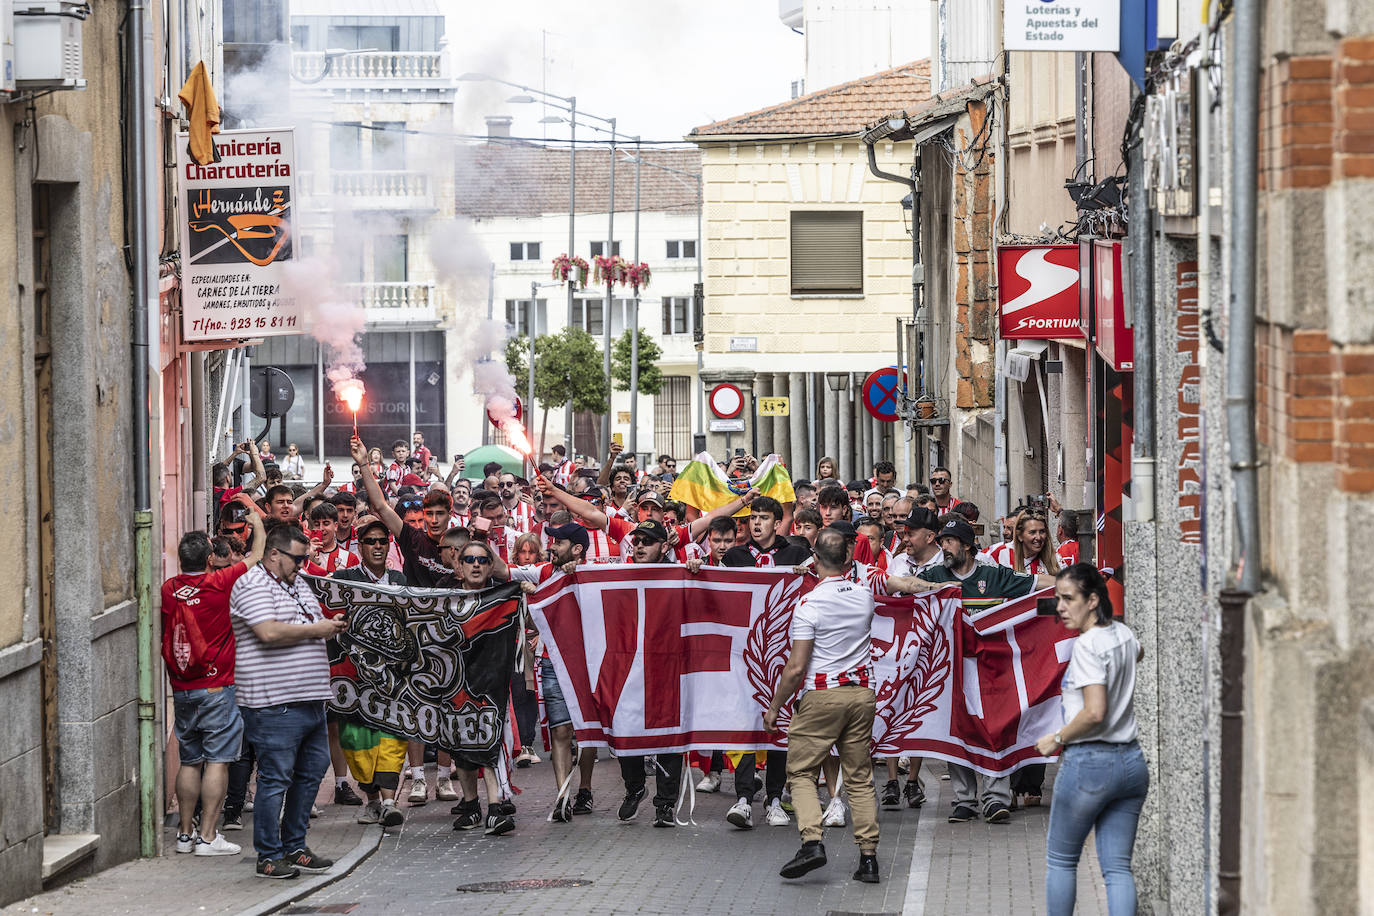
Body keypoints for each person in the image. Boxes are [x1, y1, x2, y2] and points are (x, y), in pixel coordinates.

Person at [907, 516, 1055, 824]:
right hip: (953, 671)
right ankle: (964, 800)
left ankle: (995, 799)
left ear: (966, 546)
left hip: (993, 672)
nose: (943, 547)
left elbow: (1035, 586)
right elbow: (906, 593)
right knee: (959, 732)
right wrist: (934, 587)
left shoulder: (994, 575)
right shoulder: (934, 574)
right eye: (942, 542)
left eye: (948, 542)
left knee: (994, 732)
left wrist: (1073, 582)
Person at [230, 525, 347, 879]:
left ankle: (295, 846)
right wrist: (318, 630)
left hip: (310, 700)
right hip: (273, 702)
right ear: (274, 554)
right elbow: (267, 631)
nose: (302, 564)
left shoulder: (296, 584)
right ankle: (268, 855)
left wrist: (328, 625)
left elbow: (305, 623)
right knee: (275, 779)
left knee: (311, 773)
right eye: (297, 558)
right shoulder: (252, 584)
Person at [766, 528, 881, 884]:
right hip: (861, 694)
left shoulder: (809, 604)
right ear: (847, 558)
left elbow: (796, 667)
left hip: (821, 694)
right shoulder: (864, 596)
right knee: (859, 778)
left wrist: (775, 707)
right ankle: (868, 858)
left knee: (800, 772)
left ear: (814, 560)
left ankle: (812, 842)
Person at [1036, 564, 1147, 916]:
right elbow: (1137, 652)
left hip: (1089, 764)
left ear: (1093, 600)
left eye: (1069, 599)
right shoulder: (1123, 636)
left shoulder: (1087, 646)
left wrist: (1056, 738)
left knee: (1062, 860)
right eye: (1058, 599)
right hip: (1130, 761)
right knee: (1117, 868)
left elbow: (1095, 711)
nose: (1061, 607)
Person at [162, 498, 265, 858]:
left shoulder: (168, 589)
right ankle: (209, 837)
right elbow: (256, 556)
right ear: (208, 559)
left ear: (180, 560)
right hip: (217, 687)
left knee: (190, 760)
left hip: (182, 687)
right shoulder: (219, 582)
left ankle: (185, 835)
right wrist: (257, 521)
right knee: (218, 760)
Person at [507, 524, 593, 821]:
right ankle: (563, 796)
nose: (551, 546)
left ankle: (585, 787)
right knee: (560, 729)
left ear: (578, 549)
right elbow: (504, 573)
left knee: (585, 732)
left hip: (588, 663)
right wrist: (476, 546)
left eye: (558, 542)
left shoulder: (595, 575)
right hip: (552, 660)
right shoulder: (543, 571)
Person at [330, 517, 408, 830]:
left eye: (381, 541)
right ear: (359, 546)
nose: (377, 546)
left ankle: (389, 802)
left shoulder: (400, 579)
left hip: (392, 679)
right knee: (356, 740)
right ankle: (372, 800)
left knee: (392, 737)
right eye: (370, 541)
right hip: (353, 677)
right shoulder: (344, 577)